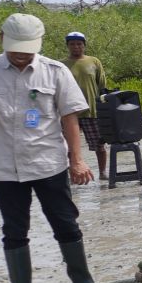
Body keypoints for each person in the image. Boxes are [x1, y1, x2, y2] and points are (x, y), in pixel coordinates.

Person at [0, 13, 110, 283]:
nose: (21, 53)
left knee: (66, 223)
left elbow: (70, 118)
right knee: (15, 231)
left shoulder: (54, 71)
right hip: (3, 168)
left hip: (48, 163)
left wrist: (77, 159)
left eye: (27, 47)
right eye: (16, 46)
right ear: (2, 38)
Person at [61, 32, 109, 178]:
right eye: (72, 44)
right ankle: (73, 174)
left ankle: (102, 172)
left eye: (79, 44)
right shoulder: (61, 64)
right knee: (68, 147)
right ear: (68, 46)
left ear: (84, 45)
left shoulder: (94, 62)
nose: (76, 47)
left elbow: (102, 86)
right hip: (69, 113)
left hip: (91, 110)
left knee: (99, 145)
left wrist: (103, 107)